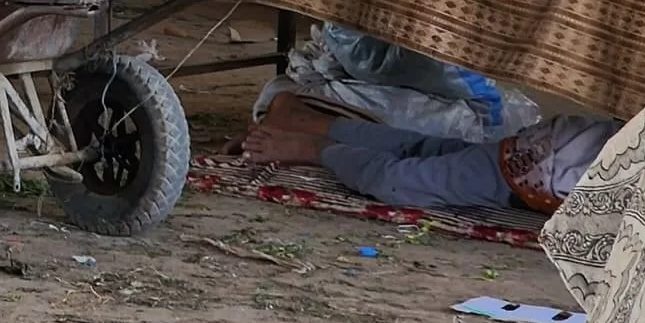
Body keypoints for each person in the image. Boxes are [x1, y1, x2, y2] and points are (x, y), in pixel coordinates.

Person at [241, 94, 615, 214]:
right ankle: (313, 146)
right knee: (398, 182)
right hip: (543, 168)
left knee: (430, 152)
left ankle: (304, 120)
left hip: (554, 153)